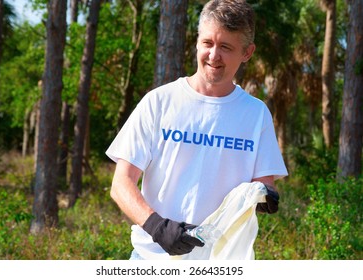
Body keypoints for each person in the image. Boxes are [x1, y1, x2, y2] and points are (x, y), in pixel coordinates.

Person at [106, 0, 288, 259]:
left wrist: (265, 195)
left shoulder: (256, 114)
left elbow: (263, 184)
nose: (214, 56)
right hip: (154, 260)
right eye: (207, 43)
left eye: (226, 47)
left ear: (247, 52)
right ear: (197, 41)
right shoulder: (159, 102)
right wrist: (158, 228)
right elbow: (121, 184)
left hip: (223, 263)